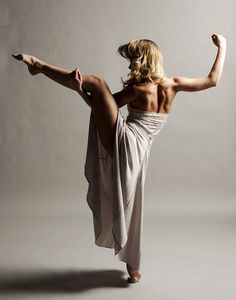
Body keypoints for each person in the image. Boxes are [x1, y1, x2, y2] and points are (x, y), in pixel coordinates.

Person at [12, 33, 226, 283]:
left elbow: (99, 107)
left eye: (133, 59)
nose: (129, 65)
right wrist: (223, 46)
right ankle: (134, 268)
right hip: (140, 154)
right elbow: (213, 80)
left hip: (125, 143)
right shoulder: (173, 84)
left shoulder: (136, 90)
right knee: (134, 207)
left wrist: (80, 90)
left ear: (144, 60)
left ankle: (39, 66)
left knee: (97, 84)